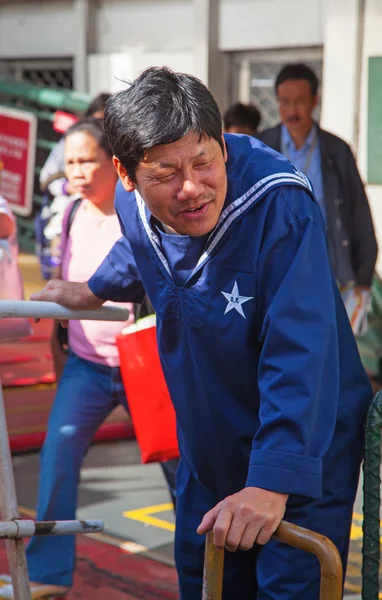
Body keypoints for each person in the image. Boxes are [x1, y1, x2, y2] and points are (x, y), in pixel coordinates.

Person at [31, 67, 372, 600]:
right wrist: (92, 289)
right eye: (166, 173)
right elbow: (143, 245)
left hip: (300, 445)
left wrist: (273, 481)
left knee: (287, 587)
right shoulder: (132, 203)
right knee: (204, 581)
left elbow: (300, 350)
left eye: (204, 162)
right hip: (207, 437)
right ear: (124, 174)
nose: (191, 188)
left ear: (222, 146)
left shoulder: (278, 204)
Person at [0, 118, 177, 600]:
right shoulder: (72, 212)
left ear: (114, 164)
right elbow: (65, 280)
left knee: (180, 470)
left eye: (86, 161)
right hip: (87, 365)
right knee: (57, 455)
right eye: (70, 162)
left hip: (143, 363)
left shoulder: (136, 211)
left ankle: (203, 573)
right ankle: (49, 574)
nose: (75, 171)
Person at [257, 63, 377, 330]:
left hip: (330, 270)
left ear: (314, 101)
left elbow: (359, 214)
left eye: (299, 101)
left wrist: (363, 279)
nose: (292, 110)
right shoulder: (262, 147)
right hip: (277, 272)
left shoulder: (336, 150)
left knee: (332, 349)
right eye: (285, 102)